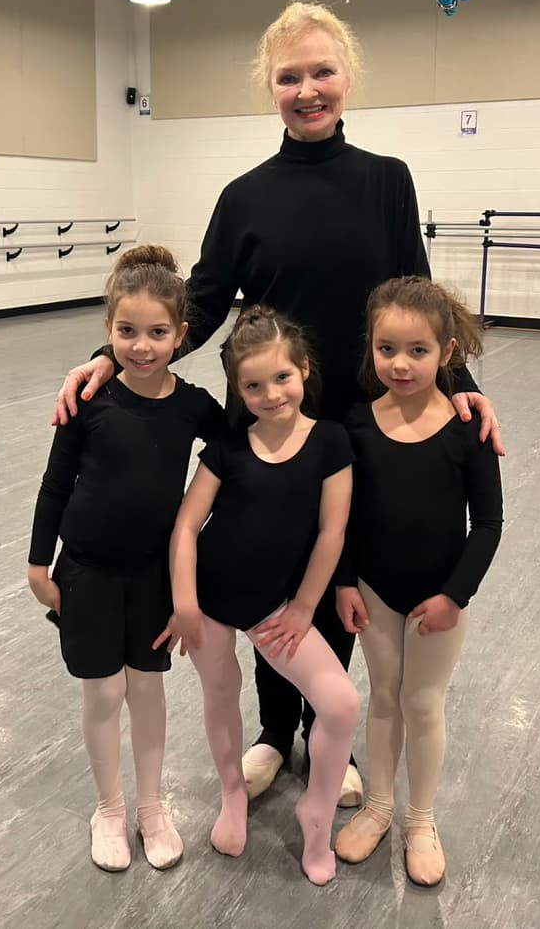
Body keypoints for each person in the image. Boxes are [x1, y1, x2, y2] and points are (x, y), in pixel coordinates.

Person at [52, 1, 504, 805]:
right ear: (271, 88)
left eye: (321, 72)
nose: (307, 89)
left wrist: (464, 389)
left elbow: (421, 298)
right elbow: (196, 301)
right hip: (261, 421)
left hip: (349, 426)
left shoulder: (386, 180)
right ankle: (271, 731)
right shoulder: (244, 194)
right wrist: (103, 361)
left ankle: (328, 733)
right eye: (289, 77)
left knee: (333, 581)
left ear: (347, 78)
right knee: (265, 579)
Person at [27, 246, 225, 873]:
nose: (142, 346)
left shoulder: (194, 406)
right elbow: (55, 484)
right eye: (127, 332)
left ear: (182, 335)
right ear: (108, 332)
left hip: (153, 576)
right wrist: (39, 564)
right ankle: (109, 807)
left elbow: (235, 461)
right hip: (85, 569)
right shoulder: (89, 400)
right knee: (105, 691)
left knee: (148, 689)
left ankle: (150, 805)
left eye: (158, 333)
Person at [154, 306, 359, 886]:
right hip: (213, 601)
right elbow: (187, 526)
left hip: (276, 607)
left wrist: (302, 608)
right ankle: (232, 796)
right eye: (253, 385)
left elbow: (331, 532)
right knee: (221, 693)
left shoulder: (330, 442)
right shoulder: (228, 448)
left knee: (341, 703)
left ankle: (315, 814)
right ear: (237, 389)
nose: (270, 395)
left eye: (281, 379)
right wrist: (185, 602)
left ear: (304, 371)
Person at [334, 276, 503, 886]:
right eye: (386, 350)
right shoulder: (355, 424)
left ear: (447, 353)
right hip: (376, 591)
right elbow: (343, 516)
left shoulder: (467, 429)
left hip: (438, 596)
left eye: (418, 351)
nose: (400, 364)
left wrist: (454, 596)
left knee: (423, 703)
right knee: (384, 698)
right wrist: (347, 581)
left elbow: (487, 523)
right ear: (370, 349)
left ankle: (421, 819)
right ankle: (380, 804)